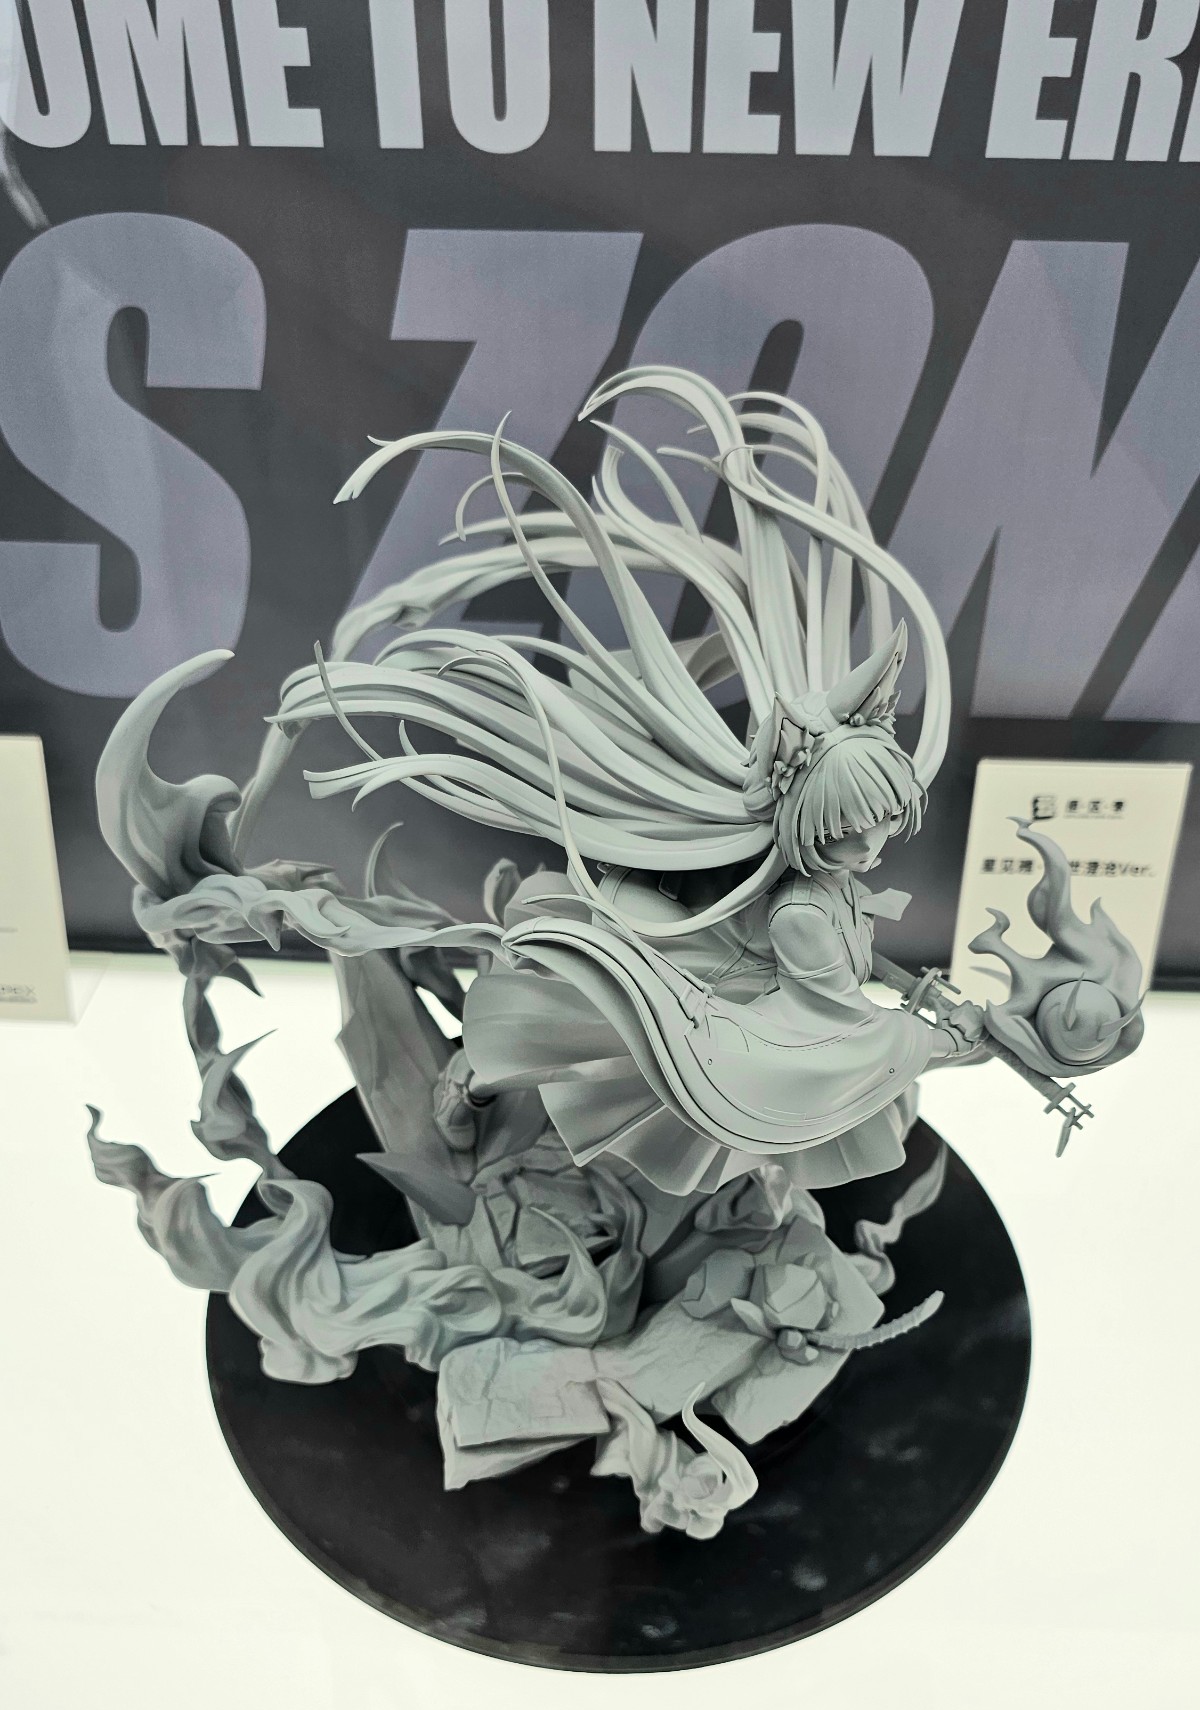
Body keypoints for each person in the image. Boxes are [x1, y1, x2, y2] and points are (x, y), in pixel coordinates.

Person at [281, 365, 982, 1197]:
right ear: (808, 823)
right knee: (560, 1030)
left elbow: (851, 975)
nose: (870, 849)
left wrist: (919, 994)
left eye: (883, 826)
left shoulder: (813, 882)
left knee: (669, 1107)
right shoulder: (798, 909)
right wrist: (938, 1039)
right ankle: (470, 1082)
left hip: (726, 982)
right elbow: (840, 1025)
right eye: (850, 834)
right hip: (709, 997)